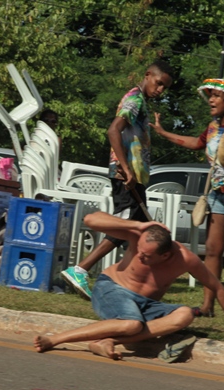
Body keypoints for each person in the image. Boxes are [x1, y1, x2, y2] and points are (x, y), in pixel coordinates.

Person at [35, 212, 224, 360]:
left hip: (146, 305)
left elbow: (217, 287)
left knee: (185, 314)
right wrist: (137, 225)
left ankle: (109, 341)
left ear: (166, 255)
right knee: (131, 324)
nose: (139, 256)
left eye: (146, 256)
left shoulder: (186, 259)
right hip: (112, 289)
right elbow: (89, 219)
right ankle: (55, 339)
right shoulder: (139, 236)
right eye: (139, 252)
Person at [150, 70, 224, 330]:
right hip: (217, 193)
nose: (211, 100)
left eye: (216, 95)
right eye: (211, 95)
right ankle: (207, 306)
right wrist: (162, 132)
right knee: (213, 251)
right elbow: (196, 143)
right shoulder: (213, 126)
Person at [61, 61, 174, 299]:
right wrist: (127, 170)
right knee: (125, 227)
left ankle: (129, 282)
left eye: (165, 87)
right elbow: (113, 130)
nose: (160, 90)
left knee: (138, 233)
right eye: (159, 83)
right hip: (127, 176)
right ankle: (80, 269)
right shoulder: (134, 100)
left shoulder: (141, 102)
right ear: (147, 75)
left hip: (136, 176)